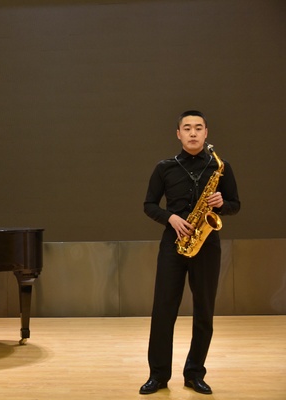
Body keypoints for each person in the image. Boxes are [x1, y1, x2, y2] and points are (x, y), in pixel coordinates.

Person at [139, 110, 240, 395]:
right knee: (163, 310)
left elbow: (235, 205)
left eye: (198, 128)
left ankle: (195, 374)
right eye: (187, 128)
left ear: (206, 133)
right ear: (178, 134)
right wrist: (170, 217)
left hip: (207, 245)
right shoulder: (164, 167)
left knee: (204, 311)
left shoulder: (220, 167)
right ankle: (158, 376)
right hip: (173, 244)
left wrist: (221, 204)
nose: (193, 133)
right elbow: (149, 205)